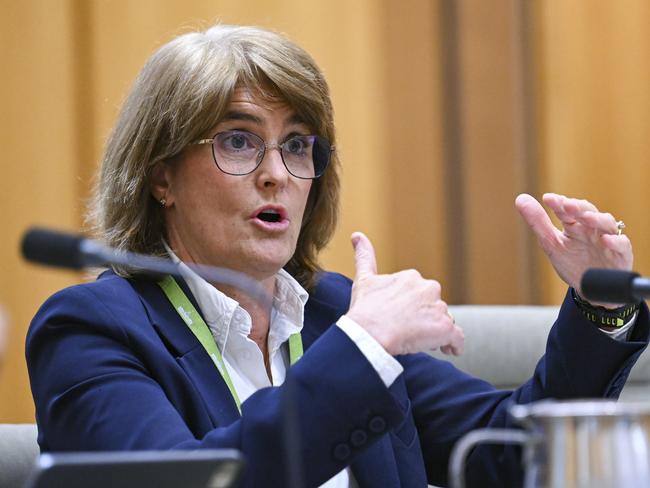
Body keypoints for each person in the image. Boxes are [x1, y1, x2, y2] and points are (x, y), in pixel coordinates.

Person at [26, 24, 648, 488]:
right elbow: (184, 481)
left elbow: (510, 451)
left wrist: (599, 309)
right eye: (239, 141)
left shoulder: (334, 313)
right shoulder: (91, 329)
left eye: (297, 146)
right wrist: (363, 348)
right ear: (161, 177)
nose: (277, 174)